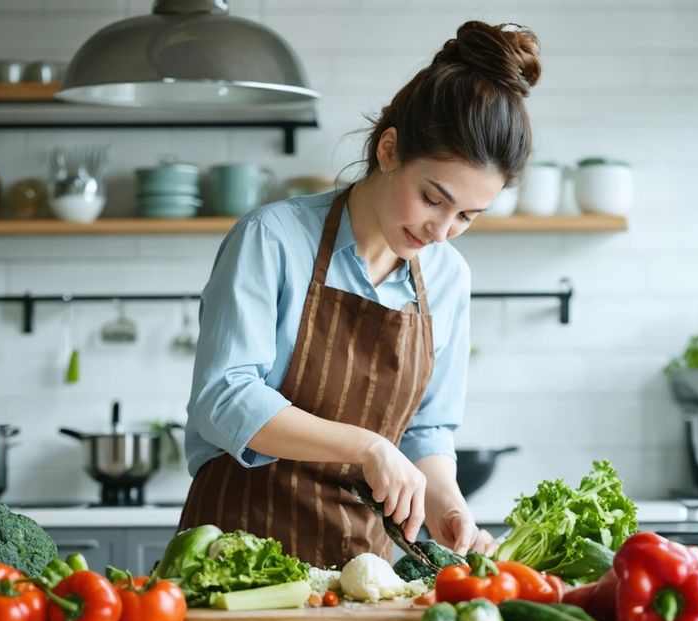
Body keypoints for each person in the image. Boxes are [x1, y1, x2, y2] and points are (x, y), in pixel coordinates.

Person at [178, 20, 542, 568]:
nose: (441, 231)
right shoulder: (273, 239)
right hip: (235, 558)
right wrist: (368, 447)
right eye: (432, 199)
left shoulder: (447, 277)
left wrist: (447, 505)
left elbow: (426, 430)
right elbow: (224, 398)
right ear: (389, 150)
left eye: (467, 216)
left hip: (359, 572)